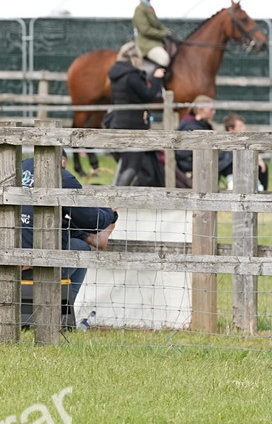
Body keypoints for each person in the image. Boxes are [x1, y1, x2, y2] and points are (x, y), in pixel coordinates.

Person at [20, 153, 119, 320]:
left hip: (5, 251)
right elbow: (93, 219)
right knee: (79, 247)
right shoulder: (60, 176)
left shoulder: (17, 168)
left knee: (52, 222)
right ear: (63, 162)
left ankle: (90, 237)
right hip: (38, 257)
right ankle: (60, 315)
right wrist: (110, 213)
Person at [108, 41, 165, 187]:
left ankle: (114, 198)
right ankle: (116, 198)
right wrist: (156, 78)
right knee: (133, 166)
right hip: (133, 125)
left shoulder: (116, 73)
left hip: (117, 123)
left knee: (125, 164)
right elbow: (148, 95)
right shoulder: (132, 75)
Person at [175, 96, 230, 188]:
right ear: (201, 109)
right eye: (211, 110)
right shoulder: (189, 126)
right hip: (192, 164)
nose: (214, 112)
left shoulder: (203, 124)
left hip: (205, 158)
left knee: (230, 156)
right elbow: (183, 153)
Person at [132, 0, 171, 74]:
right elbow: (145, 30)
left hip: (155, 42)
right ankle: (156, 86)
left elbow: (157, 25)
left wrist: (168, 32)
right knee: (164, 58)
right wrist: (163, 34)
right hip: (146, 44)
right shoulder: (140, 9)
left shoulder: (149, 8)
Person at [222, 113, 268, 190]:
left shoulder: (247, 140)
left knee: (259, 188)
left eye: (243, 125)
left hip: (250, 175)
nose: (243, 128)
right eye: (240, 126)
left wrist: (258, 158)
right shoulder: (224, 144)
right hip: (233, 176)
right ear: (231, 129)